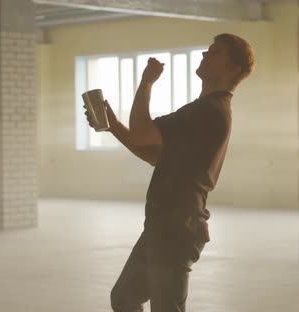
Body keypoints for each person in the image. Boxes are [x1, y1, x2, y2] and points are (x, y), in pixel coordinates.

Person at [84, 33, 255, 312]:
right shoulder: (204, 111)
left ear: (233, 68)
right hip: (164, 224)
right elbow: (155, 156)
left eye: (215, 52)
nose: (204, 54)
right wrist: (113, 125)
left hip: (177, 227)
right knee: (125, 296)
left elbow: (141, 133)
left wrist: (147, 81)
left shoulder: (210, 110)